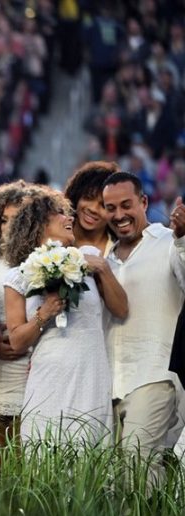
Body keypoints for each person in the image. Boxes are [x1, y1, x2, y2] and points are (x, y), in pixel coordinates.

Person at [4, 190, 127, 445]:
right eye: (58, 214)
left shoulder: (89, 259)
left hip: (91, 373)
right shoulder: (19, 275)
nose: (68, 217)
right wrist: (44, 313)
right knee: (47, 453)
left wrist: (102, 268)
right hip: (50, 375)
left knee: (91, 455)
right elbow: (16, 341)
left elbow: (121, 309)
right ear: (38, 226)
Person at [102, 173, 185, 487]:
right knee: (117, 476)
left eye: (127, 205)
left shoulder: (168, 241)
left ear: (144, 202)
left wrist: (183, 240)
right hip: (111, 382)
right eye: (111, 208)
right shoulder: (105, 260)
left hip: (154, 373)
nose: (119, 215)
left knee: (138, 461)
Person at [0, 181, 36, 449]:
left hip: (34, 368)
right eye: (2, 220)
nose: (8, 227)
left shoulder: (46, 262)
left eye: (17, 220)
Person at [63, 161, 119, 255]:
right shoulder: (53, 238)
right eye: (88, 198)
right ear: (76, 196)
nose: (93, 209)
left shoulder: (121, 251)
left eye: (103, 205)